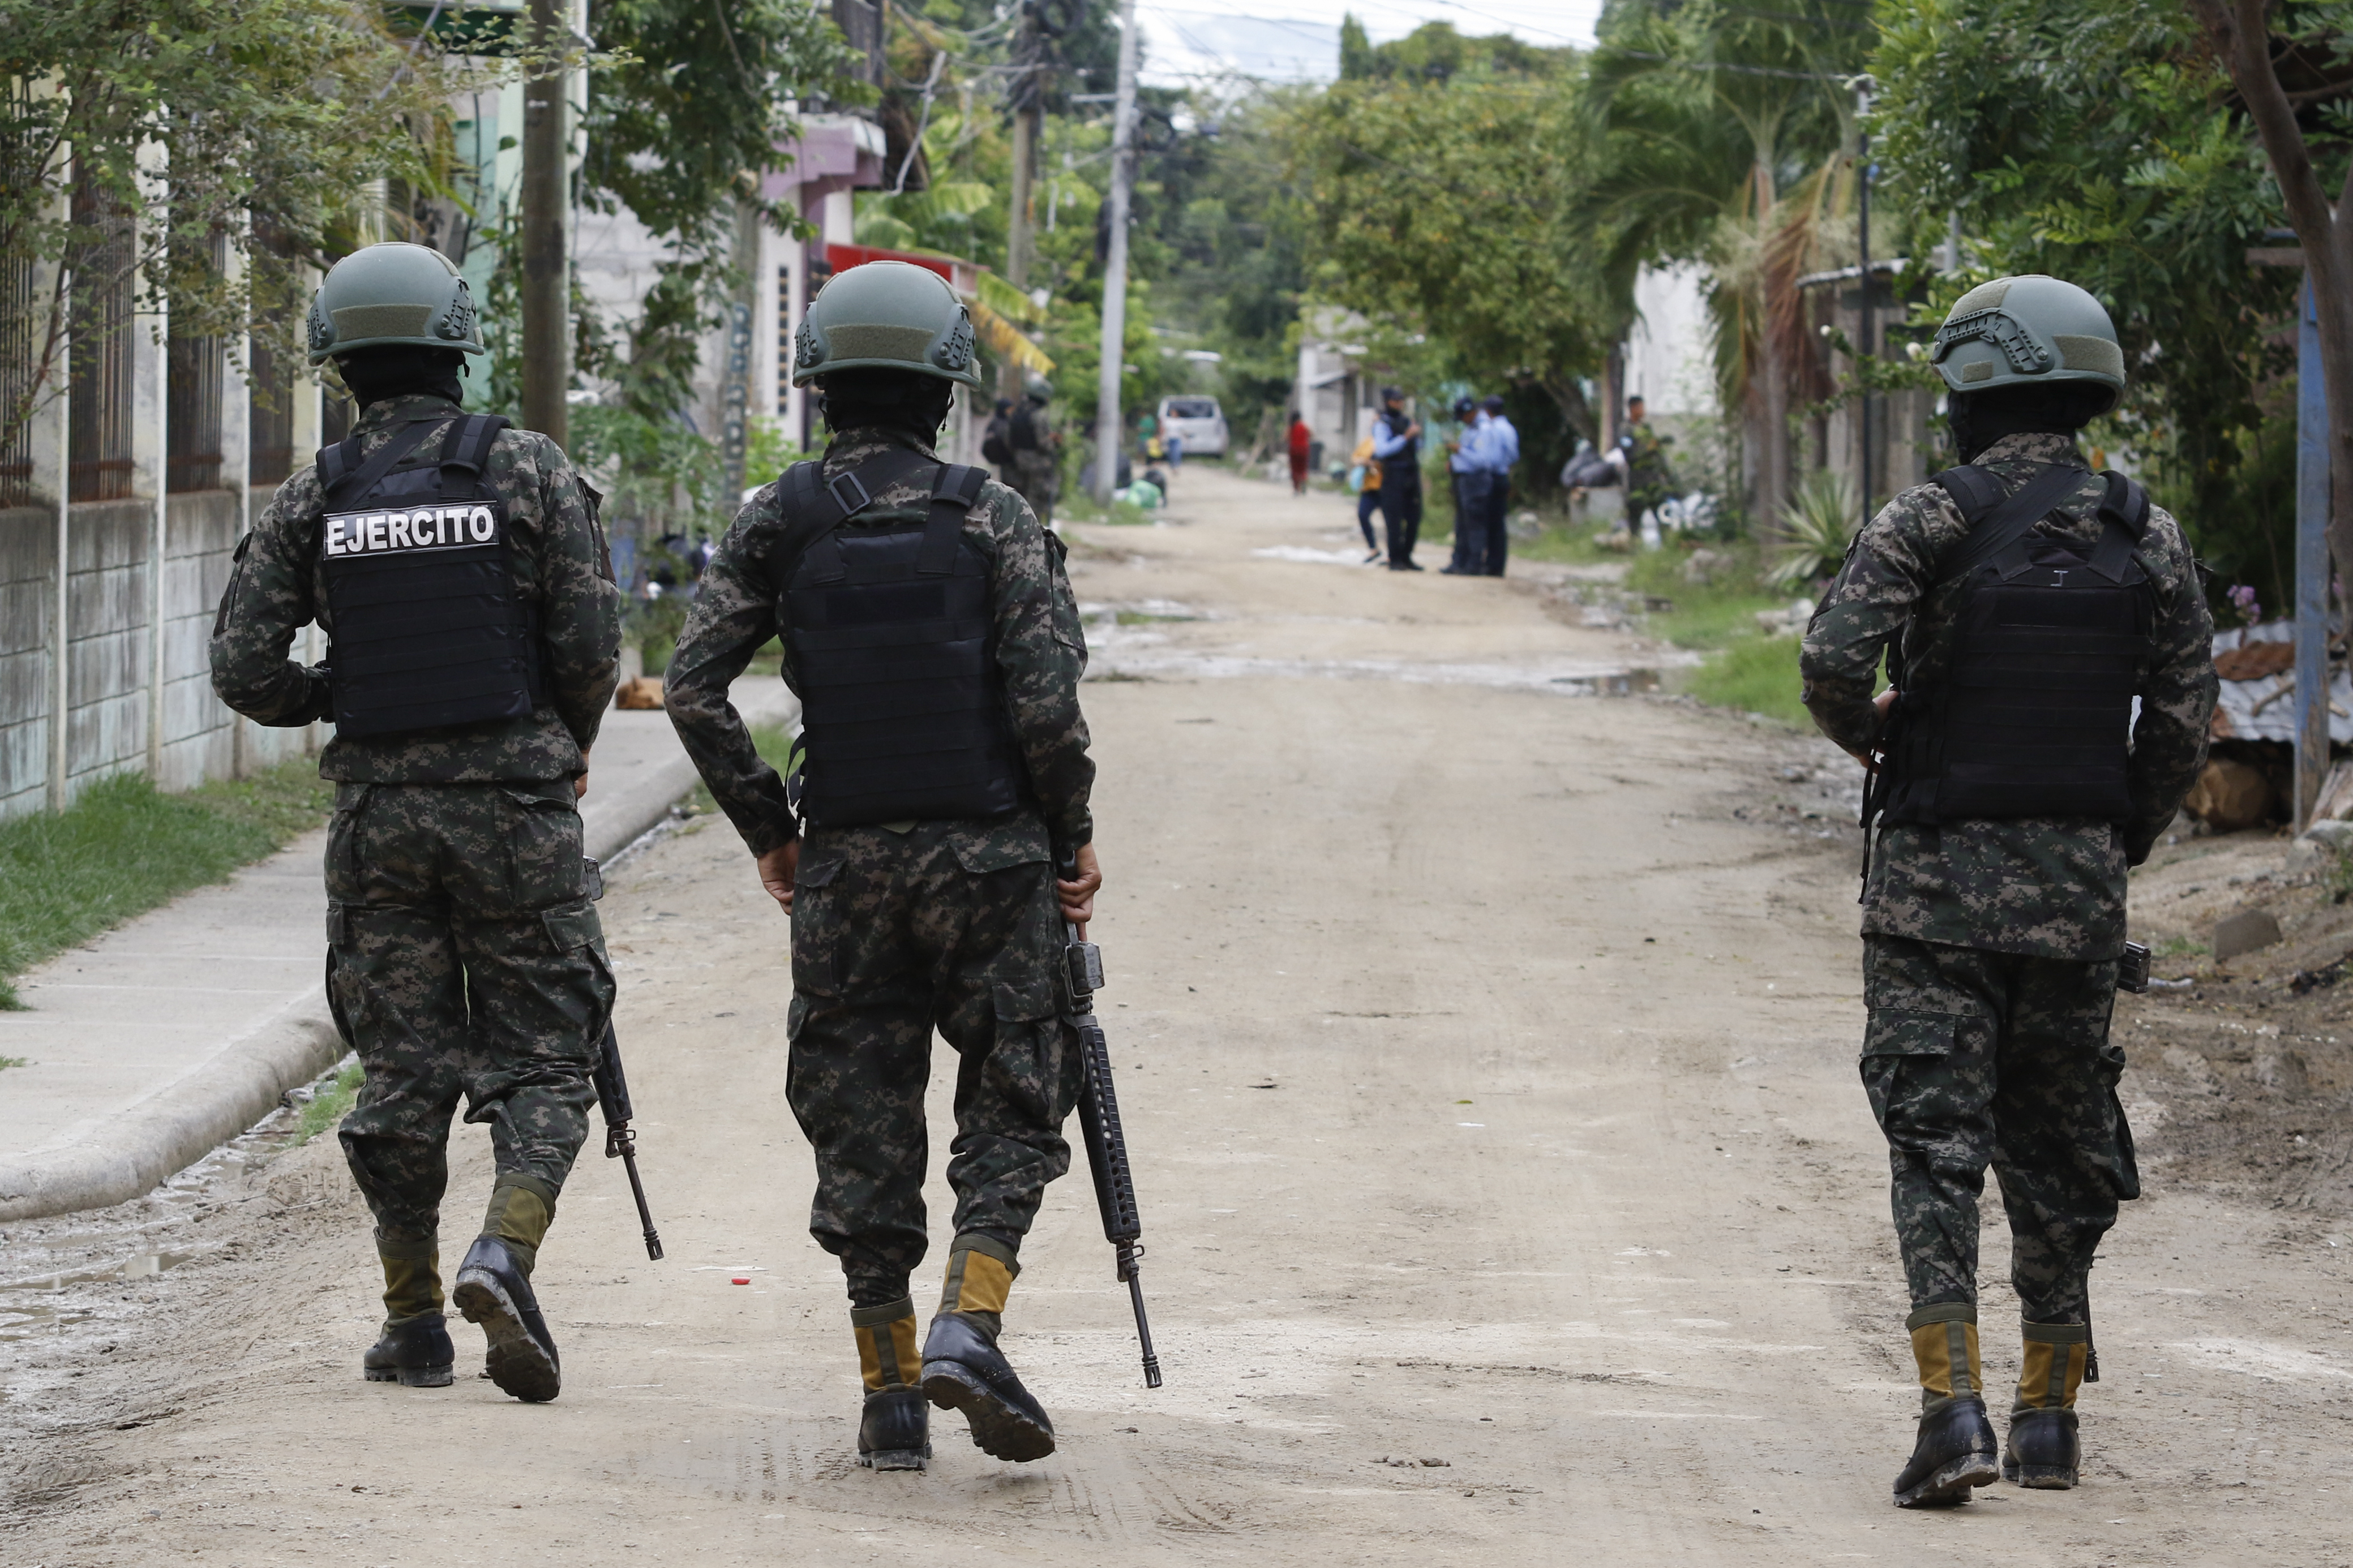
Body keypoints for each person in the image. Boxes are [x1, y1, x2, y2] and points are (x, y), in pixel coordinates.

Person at [663, 260, 1100, 1473]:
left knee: (861, 1123)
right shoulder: (990, 514)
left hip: (846, 865)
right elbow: (1049, 708)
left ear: (821, 386)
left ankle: (890, 1391)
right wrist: (1069, 838)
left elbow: (692, 686)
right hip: (992, 864)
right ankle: (971, 1318)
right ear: (944, 388)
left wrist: (770, 827)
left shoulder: (782, 515)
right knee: (1014, 1100)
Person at [1799, 273, 2217, 1509]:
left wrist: (1870, 733)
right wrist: (2111, 838)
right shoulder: (2145, 532)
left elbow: (1830, 657)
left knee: (1936, 1147)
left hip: (1931, 894)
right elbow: (2183, 722)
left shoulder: (1928, 516)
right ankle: (2046, 1419)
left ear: (1971, 386)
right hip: (2075, 903)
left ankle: (1949, 1411)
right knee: (2057, 1148)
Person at [208, 241, 623, 1404]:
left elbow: (243, 666)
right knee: (546, 1052)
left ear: (339, 361)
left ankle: (412, 1321)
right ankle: (506, 1247)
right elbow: (590, 646)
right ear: (457, 342)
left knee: (401, 1067)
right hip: (516, 813)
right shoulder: (529, 470)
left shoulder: (320, 492)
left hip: (381, 817)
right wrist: (562, 741)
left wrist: (345, 695)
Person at [1369, 386, 1424, 571]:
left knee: (1414, 517)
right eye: (1396, 400)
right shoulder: (1382, 424)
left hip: (1411, 473)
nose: (1400, 403)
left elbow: (1417, 448)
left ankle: (1407, 557)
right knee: (1394, 519)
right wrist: (1405, 438)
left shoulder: (1407, 421)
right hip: (1393, 475)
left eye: (1402, 400)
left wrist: (1415, 435)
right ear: (1388, 402)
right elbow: (1382, 450)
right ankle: (1395, 558)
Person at [1441, 395, 1490, 576]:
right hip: (1463, 479)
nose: (1462, 421)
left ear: (1471, 412)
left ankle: (1474, 564)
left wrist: (1459, 451)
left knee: (1474, 524)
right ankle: (1458, 562)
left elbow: (1481, 460)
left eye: (1463, 416)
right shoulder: (1470, 429)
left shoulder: (1483, 430)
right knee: (1461, 523)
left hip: (1476, 480)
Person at [1008, 375, 1063, 527]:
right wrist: (1055, 442)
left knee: (1019, 498)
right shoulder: (1039, 415)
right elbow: (1044, 444)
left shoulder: (1018, 413)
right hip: (1036, 464)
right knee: (1036, 499)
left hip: (1017, 462)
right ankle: (1031, 531)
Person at [1477, 394, 1520, 578]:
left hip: (1497, 476)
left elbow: (1512, 454)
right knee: (1491, 521)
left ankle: (1495, 564)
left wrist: (1498, 464)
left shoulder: (1502, 429)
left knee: (1495, 522)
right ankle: (1490, 563)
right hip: (1495, 476)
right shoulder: (1500, 427)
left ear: (1488, 410)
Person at [1619, 395, 1671, 534]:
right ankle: (1633, 538)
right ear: (1632, 408)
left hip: (1652, 476)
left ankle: (1667, 538)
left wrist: (1664, 470)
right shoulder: (1626, 429)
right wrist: (1647, 450)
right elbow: (1628, 454)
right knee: (1636, 508)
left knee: (1660, 507)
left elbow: (1657, 452)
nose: (1643, 410)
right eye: (1640, 407)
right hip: (1637, 476)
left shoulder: (1646, 427)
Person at [1348, 430, 1383, 561]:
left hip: (1385, 487)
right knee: (1363, 515)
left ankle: (1393, 554)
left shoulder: (1388, 441)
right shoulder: (1368, 442)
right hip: (1369, 487)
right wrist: (1364, 462)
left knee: (1390, 521)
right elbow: (1355, 457)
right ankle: (1373, 548)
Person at [982, 396, 1016, 489]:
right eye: (1009, 409)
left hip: (997, 460)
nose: (1011, 412)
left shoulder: (995, 422)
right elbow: (1007, 443)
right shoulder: (1003, 424)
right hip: (1006, 461)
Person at [1288, 410, 1312, 495]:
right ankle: (1303, 484)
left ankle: (1296, 489)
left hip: (1294, 451)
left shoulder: (1291, 427)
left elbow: (1285, 437)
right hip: (1304, 450)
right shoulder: (1305, 426)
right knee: (1303, 469)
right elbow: (1311, 435)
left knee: (1295, 470)